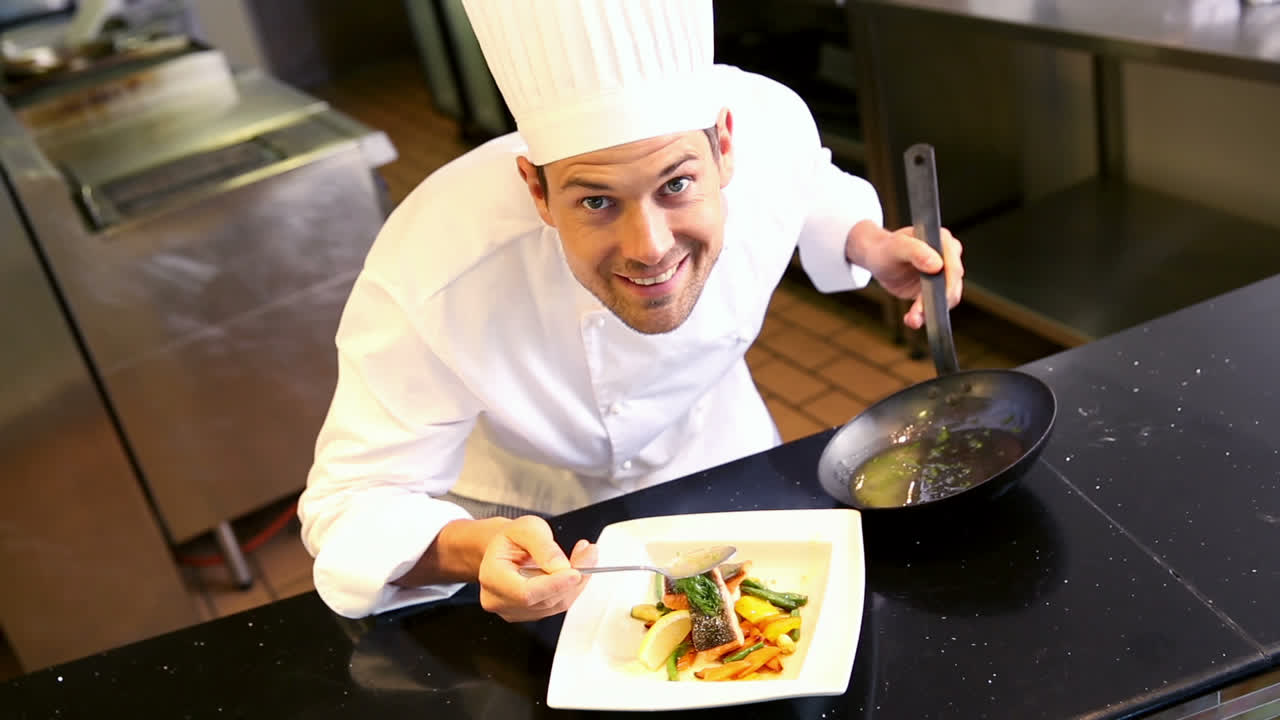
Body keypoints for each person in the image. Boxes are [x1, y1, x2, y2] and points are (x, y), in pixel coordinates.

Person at [299, 0, 963, 622]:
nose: (650, 248)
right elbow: (346, 504)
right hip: (529, 524)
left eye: (676, 184)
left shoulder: (766, 127)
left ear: (725, 149)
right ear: (535, 187)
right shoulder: (435, 271)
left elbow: (804, 181)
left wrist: (867, 242)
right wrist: (471, 551)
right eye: (596, 202)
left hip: (721, 457)